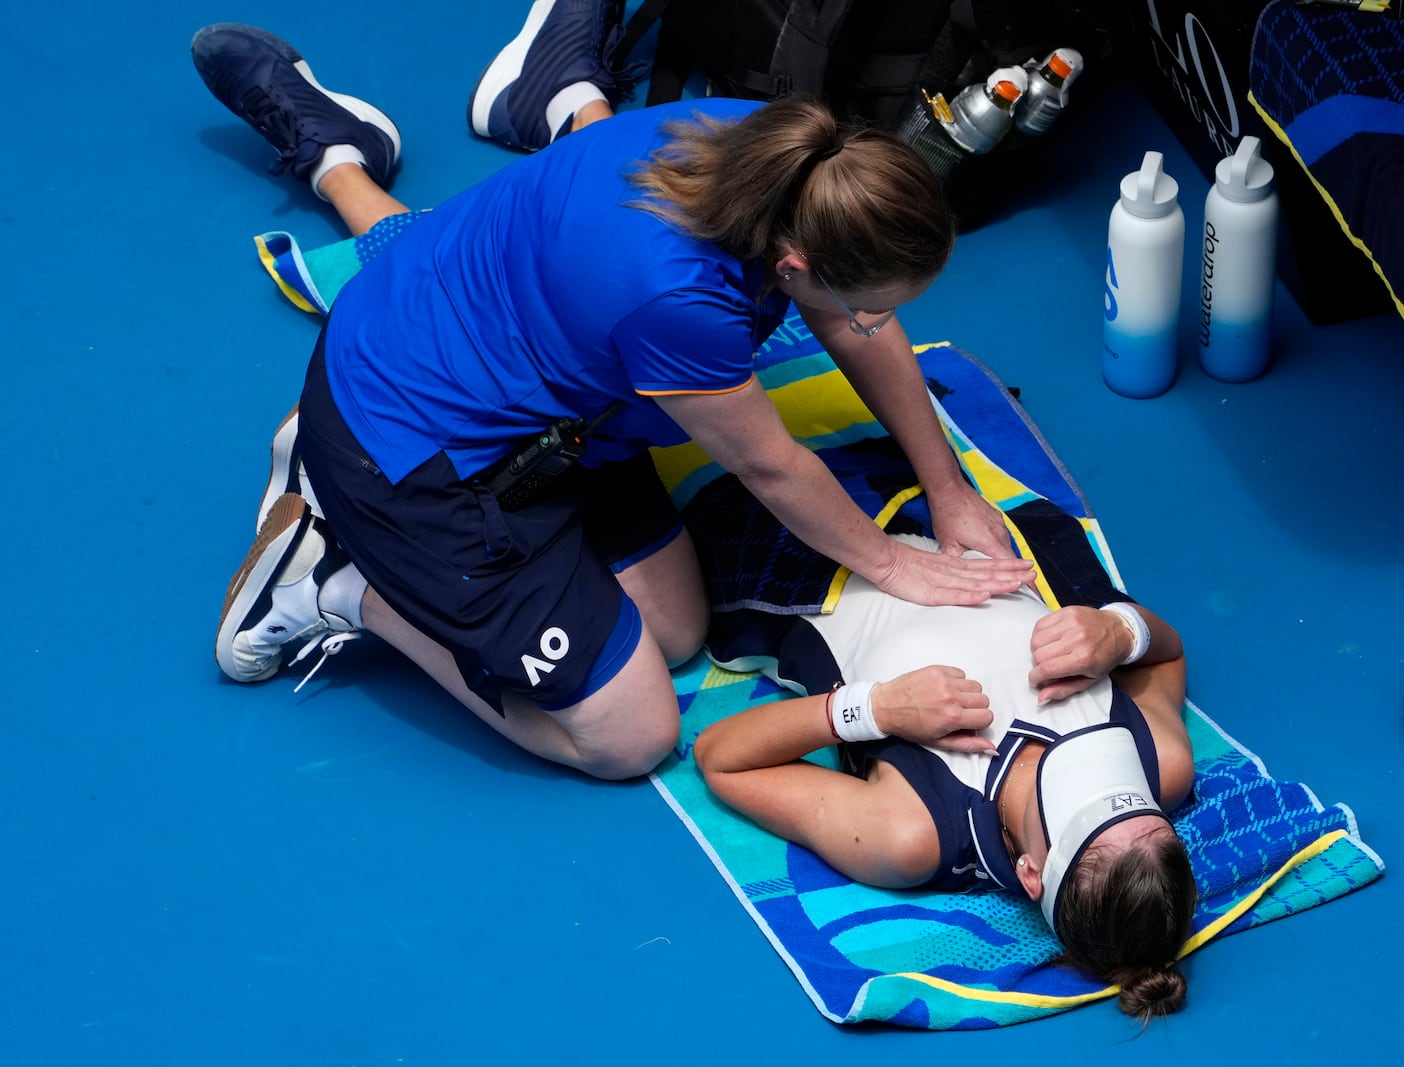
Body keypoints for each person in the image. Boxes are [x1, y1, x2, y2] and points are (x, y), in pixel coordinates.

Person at [193, 3, 1035, 782]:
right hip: (415, 451)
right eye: (874, 302)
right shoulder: (674, 300)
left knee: (676, 632)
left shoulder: (787, 157)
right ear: (794, 268)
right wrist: (894, 564)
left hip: (524, 392)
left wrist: (946, 489)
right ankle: (336, 578)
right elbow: (772, 469)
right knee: (630, 736)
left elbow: (853, 322)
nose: (880, 321)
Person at [693, 533, 1197, 1022]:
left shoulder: (912, 832)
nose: (1098, 775)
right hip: (959, 531)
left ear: (1029, 872)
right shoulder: (1160, 762)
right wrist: (1123, 632)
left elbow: (721, 757)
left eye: (1082, 813)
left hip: (808, 567)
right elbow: (1168, 652)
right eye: (1133, 803)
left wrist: (874, 708)